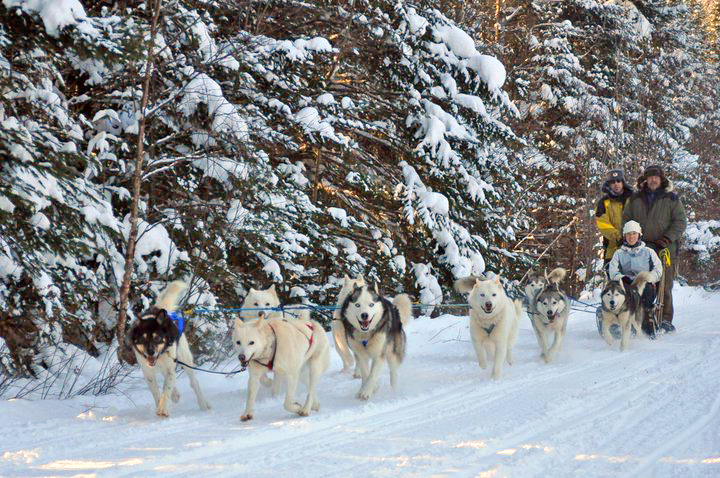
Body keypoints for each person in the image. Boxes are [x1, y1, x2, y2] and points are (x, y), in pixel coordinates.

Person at [622, 164, 686, 334]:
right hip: (640, 248)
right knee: (640, 282)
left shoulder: (671, 198)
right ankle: (641, 317)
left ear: (662, 179)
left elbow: (680, 222)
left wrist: (667, 238)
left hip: (665, 248)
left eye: (656, 177)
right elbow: (627, 219)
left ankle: (665, 319)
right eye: (649, 177)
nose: (653, 180)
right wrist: (631, 237)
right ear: (645, 179)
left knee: (664, 284)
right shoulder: (635, 199)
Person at [608, 221, 663, 338]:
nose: (631, 237)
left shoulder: (648, 252)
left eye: (634, 233)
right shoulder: (619, 253)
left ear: (639, 235)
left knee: (645, 296)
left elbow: (658, 270)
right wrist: (621, 278)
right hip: (626, 284)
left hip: (645, 285)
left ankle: (647, 326)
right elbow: (612, 271)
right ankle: (619, 326)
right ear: (624, 236)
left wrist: (649, 278)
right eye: (628, 234)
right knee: (620, 296)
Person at [595, 169, 633, 268]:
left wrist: (631, 237)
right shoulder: (603, 203)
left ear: (623, 182)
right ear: (609, 184)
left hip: (635, 250)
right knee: (614, 282)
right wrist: (619, 237)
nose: (616, 184)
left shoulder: (634, 199)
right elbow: (603, 225)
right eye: (612, 182)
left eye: (618, 181)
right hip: (613, 251)